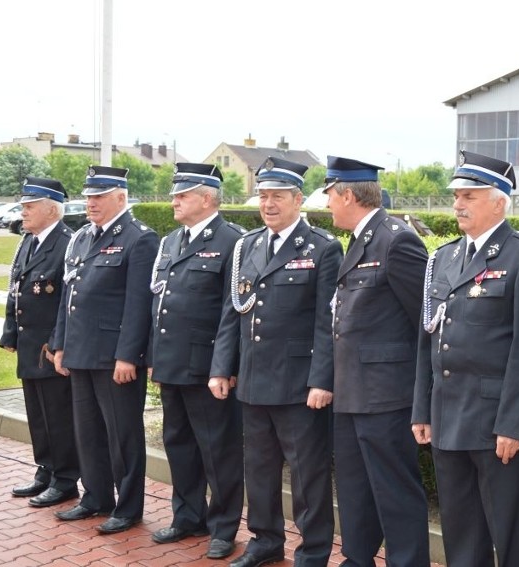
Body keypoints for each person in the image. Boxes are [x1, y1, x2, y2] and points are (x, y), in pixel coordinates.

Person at [411, 150, 519, 567]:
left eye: (469, 196)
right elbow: (429, 337)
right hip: (447, 417)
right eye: (456, 194)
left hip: (497, 425)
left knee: (509, 536)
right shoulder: (443, 257)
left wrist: (515, 424)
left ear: (499, 201)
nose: (457, 203)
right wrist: (422, 407)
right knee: (460, 531)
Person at [211, 156, 343, 567]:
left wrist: (322, 380)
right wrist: (221, 367)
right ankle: (265, 541)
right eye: (263, 196)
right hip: (253, 380)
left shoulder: (323, 248)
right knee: (260, 470)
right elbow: (234, 311)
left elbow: (328, 322)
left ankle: (314, 550)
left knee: (308, 475)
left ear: (298, 200)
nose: (268, 204)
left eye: (278, 197)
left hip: (298, 385)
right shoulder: (246, 246)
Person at [323, 155, 430, 567]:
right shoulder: (361, 240)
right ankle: (357, 558)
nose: (328, 203)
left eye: (331, 194)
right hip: (352, 390)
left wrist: (420, 395)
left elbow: (424, 321)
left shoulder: (396, 240)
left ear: (348, 194)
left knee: (394, 490)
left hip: (386, 395)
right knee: (354, 487)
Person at [51, 165, 158, 534]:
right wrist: (60, 344)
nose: (91, 203)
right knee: (89, 432)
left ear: (121, 197)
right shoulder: (81, 237)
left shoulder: (139, 238)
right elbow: (69, 295)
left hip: (114, 357)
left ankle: (128, 508)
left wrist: (128, 355)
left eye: (98, 196)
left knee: (122, 435)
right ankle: (95, 497)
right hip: (80, 351)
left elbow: (138, 303)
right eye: (88, 196)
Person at [148, 163, 246, 559]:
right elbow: (159, 302)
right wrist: (153, 355)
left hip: (207, 369)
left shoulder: (233, 242)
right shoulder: (171, 241)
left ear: (206, 198)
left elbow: (231, 313)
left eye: (182, 195)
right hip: (172, 363)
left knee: (218, 450)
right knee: (179, 444)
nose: (174, 200)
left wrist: (222, 368)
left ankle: (223, 527)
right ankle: (188, 516)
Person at [0, 176, 80, 508]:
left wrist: (59, 344)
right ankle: (44, 471)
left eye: (29, 206)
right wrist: (9, 332)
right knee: (38, 414)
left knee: (58, 415)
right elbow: (15, 287)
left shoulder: (67, 243)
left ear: (51, 209)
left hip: (51, 346)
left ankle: (65, 480)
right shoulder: (28, 241)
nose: (24, 212)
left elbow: (69, 301)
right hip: (29, 343)